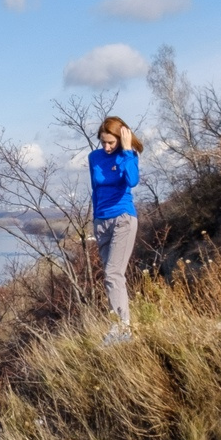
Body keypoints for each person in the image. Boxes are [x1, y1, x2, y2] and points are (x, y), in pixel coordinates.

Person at [89, 115, 142, 343]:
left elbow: (132, 181)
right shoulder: (94, 158)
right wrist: (96, 220)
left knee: (113, 274)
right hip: (101, 222)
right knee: (112, 278)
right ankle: (120, 328)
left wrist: (128, 150)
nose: (107, 147)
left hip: (123, 218)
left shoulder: (128, 155)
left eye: (111, 142)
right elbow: (96, 189)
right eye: (104, 142)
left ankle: (122, 328)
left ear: (121, 139)